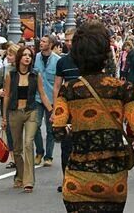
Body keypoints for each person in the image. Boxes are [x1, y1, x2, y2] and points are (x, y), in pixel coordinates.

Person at [53, 21, 134, 212]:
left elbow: (57, 131)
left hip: (77, 180)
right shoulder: (123, 89)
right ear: (106, 56)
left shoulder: (68, 90)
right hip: (113, 181)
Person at [2, 46, 53, 193]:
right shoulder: (10, 76)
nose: (27, 57)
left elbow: (42, 95)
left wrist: (52, 111)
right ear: (19, 58)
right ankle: (20, 175)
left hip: (31, 111)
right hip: (14, 113)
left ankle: (28, 181)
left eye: (29, 55)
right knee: (17, 148)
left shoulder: (35, 75)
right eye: (24, 55)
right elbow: (6, 96)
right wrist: (4, 117)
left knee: (28, 143)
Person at [52, 27, 77, 193]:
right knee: (66, 147)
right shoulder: (62, 62)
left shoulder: (88, 60)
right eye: (66, 40)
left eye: (71, 40)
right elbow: (56, 87)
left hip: (84, 109)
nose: (68, 43)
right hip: (66, 110)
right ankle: (67, 179)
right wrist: (56, 111)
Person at [33, 35, 60, 166]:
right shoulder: (34, 58)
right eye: (41, 41)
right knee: (35, 125)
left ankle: (48, 157)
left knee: (50, 129)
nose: (41, 43)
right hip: (37, 98)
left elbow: (59, 83)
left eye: (44, 42)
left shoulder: (57, 60)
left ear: (50, 45)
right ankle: (39, 151)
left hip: (51, 99)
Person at [0, 43, 19, 169]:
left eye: (10, 55)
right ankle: (13, 158)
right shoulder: (4, 69)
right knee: (9, 131)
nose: (8, 57)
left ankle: (20, 155)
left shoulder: (23, 69)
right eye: (8, 55)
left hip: (20, 104)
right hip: (6, 104)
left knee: (19, 132)